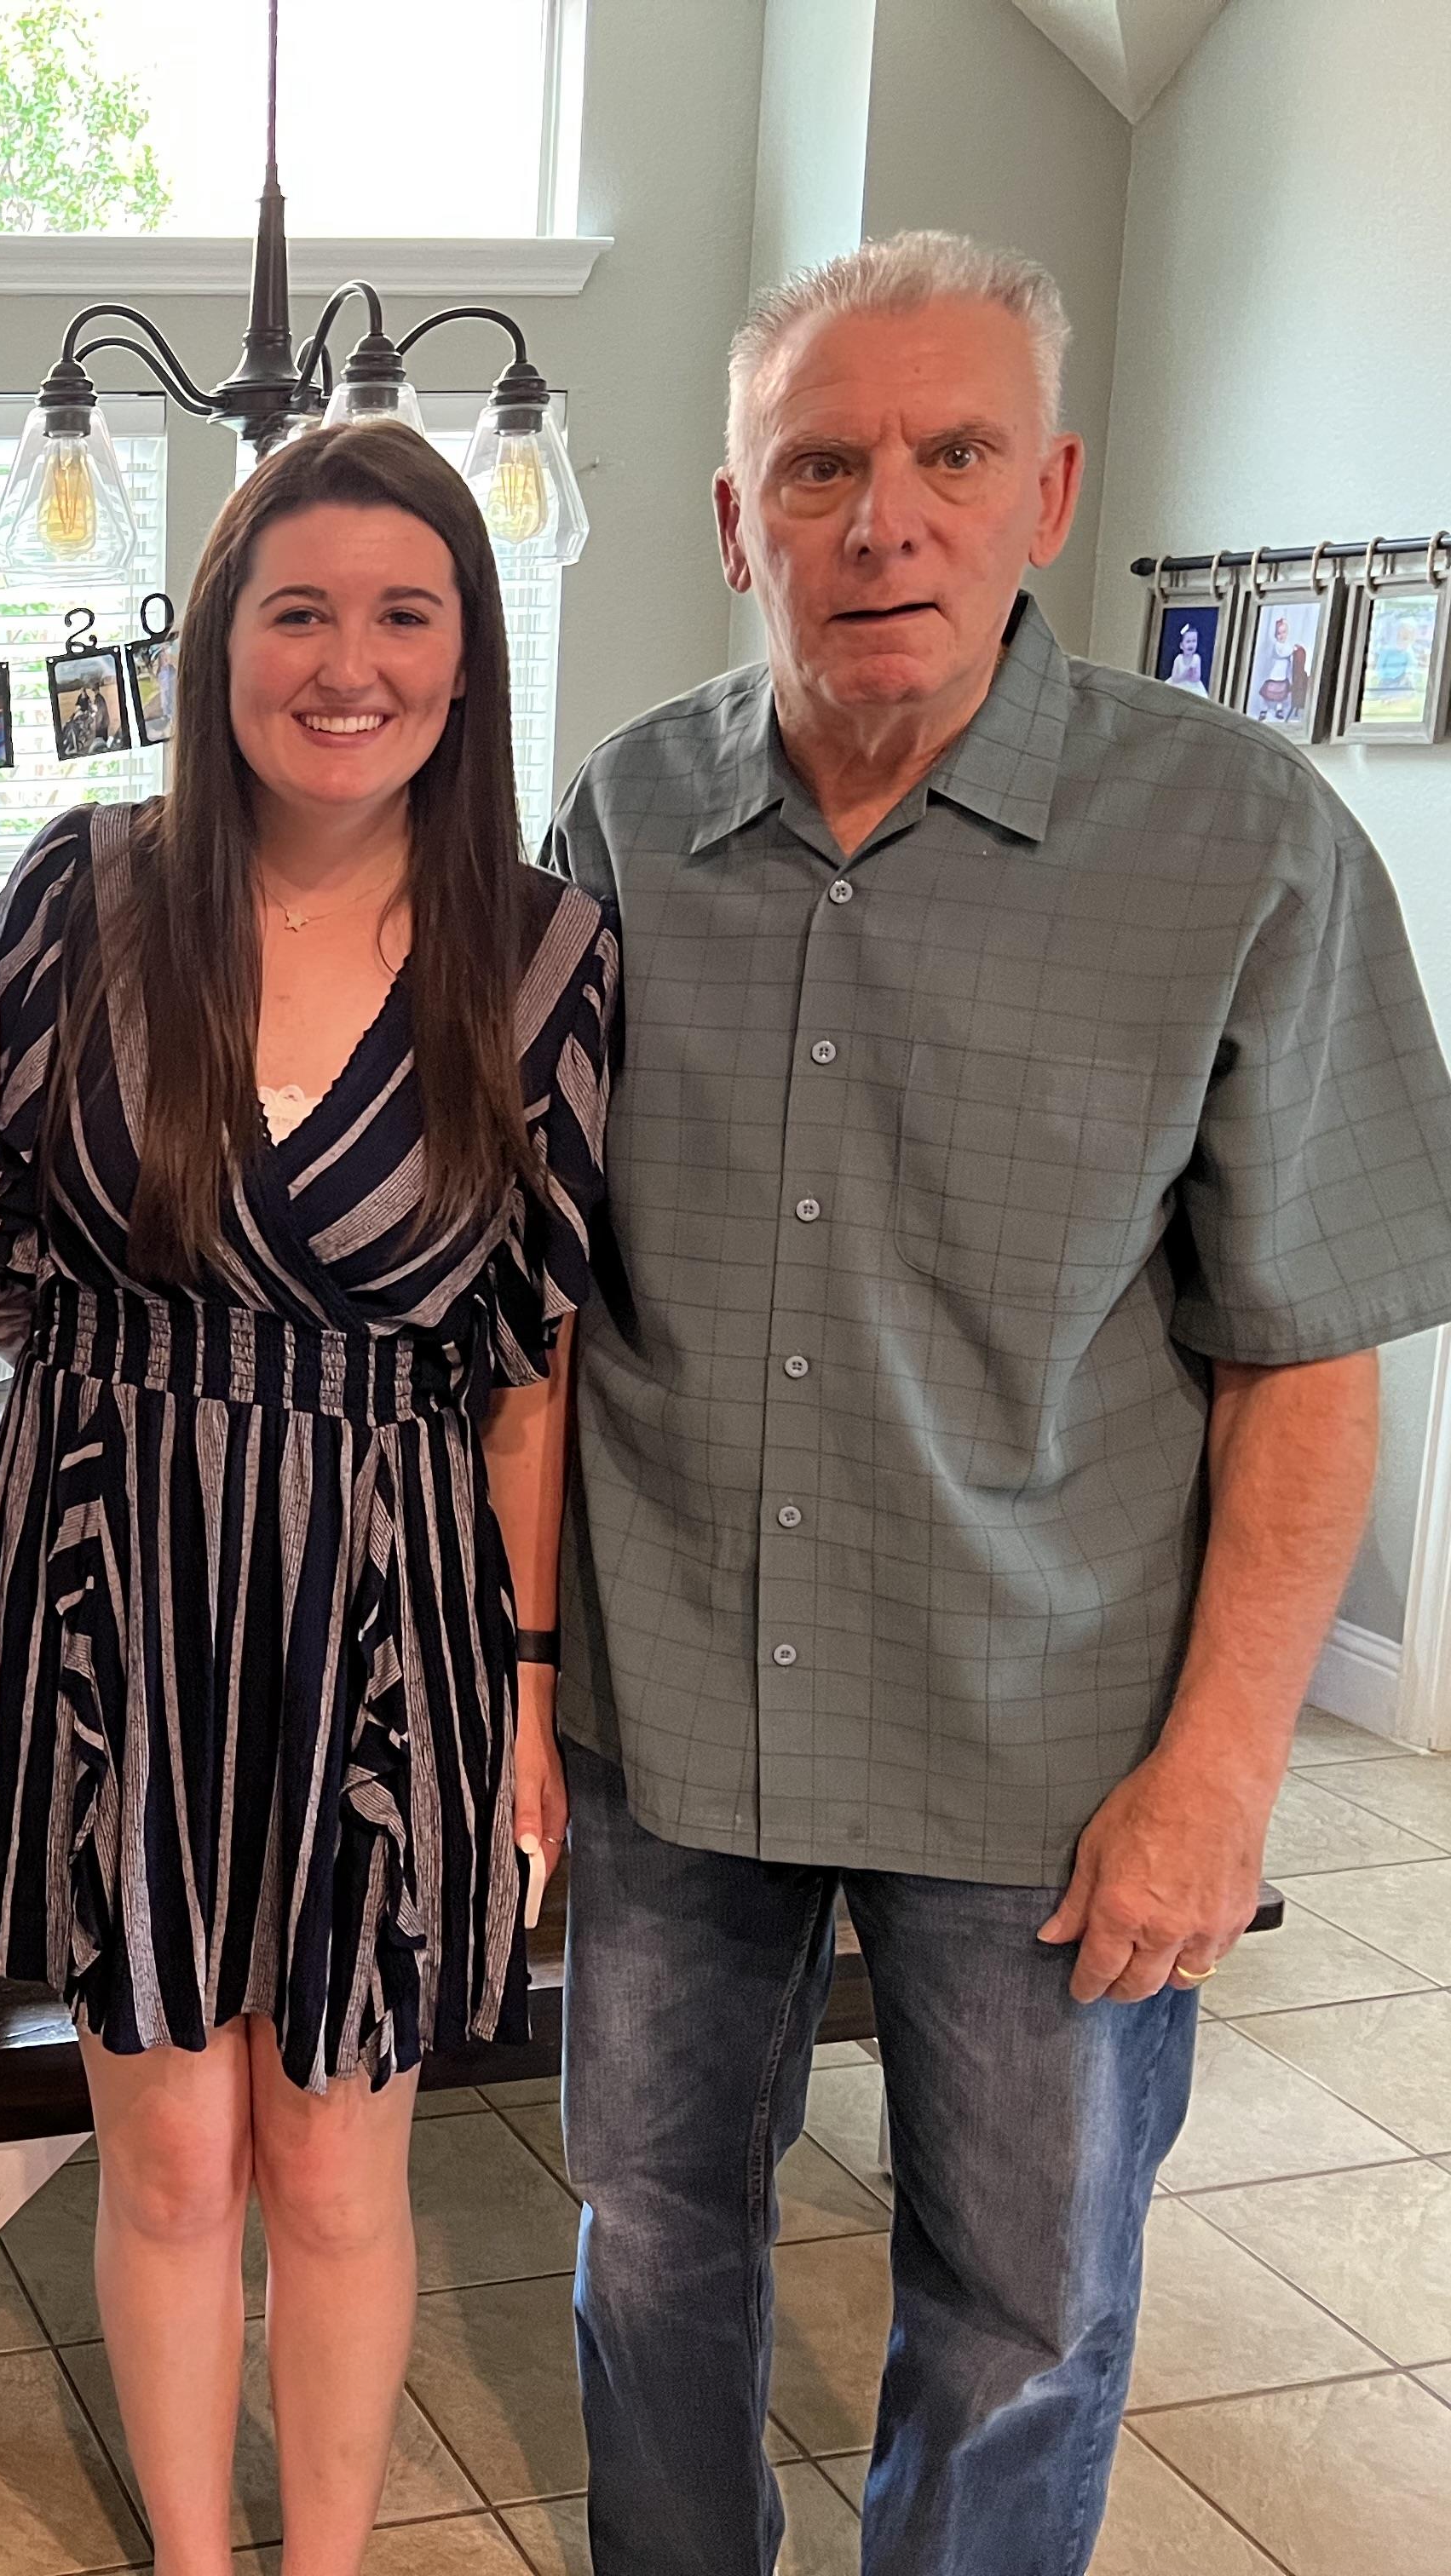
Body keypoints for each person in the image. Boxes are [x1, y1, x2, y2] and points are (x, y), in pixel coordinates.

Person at [549, 230, 1451, 2576]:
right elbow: (536, 1305)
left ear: (1048, 491)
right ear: (738, 522)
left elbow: (1303, 1373)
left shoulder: (1250, 847)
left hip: (1047, 1752)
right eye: (822, 465)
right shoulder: (625, 829)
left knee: (1025, 2310)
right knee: (650, 2246)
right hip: (677, 1726)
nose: (888, 519)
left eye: (951, 456)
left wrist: (1227, 1772)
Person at [0, 419, 612, 2576]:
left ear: (465, 654)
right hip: (118, 1580)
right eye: (297, 609)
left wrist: (522, 1684)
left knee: (335, 2167)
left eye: (404, 614)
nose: (349, 662)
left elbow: (530, 1373)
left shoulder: (541, 953)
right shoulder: (82, 890)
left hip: (390, 1607)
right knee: (163, 2161)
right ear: (221, 640)